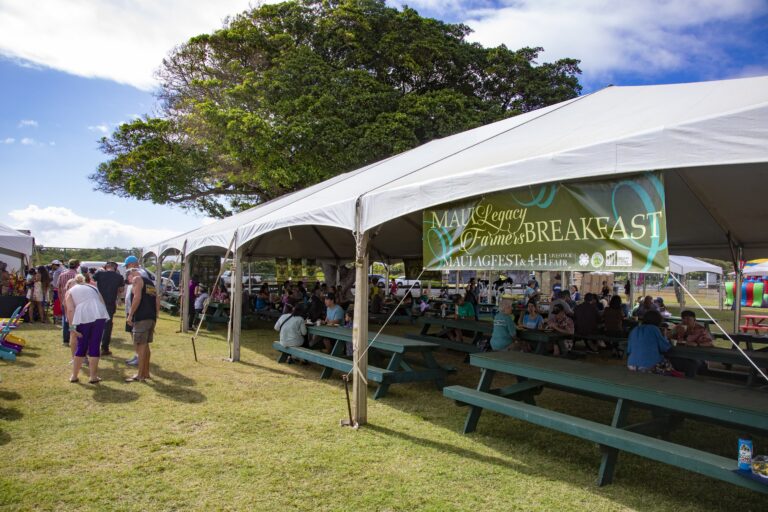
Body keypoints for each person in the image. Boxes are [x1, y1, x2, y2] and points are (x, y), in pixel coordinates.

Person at [65, 274, 109, 384]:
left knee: (81, 345)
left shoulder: (70, 291)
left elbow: (70, 310)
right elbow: (102, 302)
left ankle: (74, 376)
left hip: (84, 316)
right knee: (95, 345)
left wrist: (72, 327)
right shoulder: (93, 287)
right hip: (99, 315)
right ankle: (93, 376)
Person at [125, 265, 160, 382]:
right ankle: (146, 373)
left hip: (141, 318)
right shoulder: (150, 282)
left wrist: (130, 315)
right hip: (151, 317)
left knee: (140, 346)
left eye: (128, 278)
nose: (129, 281)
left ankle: (140, 375)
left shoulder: (137, 280)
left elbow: (137, 298)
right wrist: (156, 316)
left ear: (132, 274)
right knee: (145, 346)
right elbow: (157, 300)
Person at [626, 310, 675, 375]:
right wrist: (665, 336)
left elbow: (628, 350)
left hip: (631, 365)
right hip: (649, 366)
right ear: (658, 321)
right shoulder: (654, 329)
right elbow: (665, 347)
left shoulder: (635, 329)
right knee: (668, 366)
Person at [92, 262, 124, 356]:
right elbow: (121, 289)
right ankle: (104, 348)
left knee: (95, 324)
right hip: (110, 303)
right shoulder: (119, 276)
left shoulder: (99, 274)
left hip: (98, 302)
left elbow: (90, 280)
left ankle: (93, 346)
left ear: (106, 267)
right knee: (108, 326)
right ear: (115, 268)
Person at [57, 259, 80, 346]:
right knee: (73, 320)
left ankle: (65, 340)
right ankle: (73, 338)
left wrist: (60, 300)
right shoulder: (77, 275)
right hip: (75, 301)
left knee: (65, 319)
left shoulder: (62, 275)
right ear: (77, 266)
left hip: (64, 300)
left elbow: (58, 289)